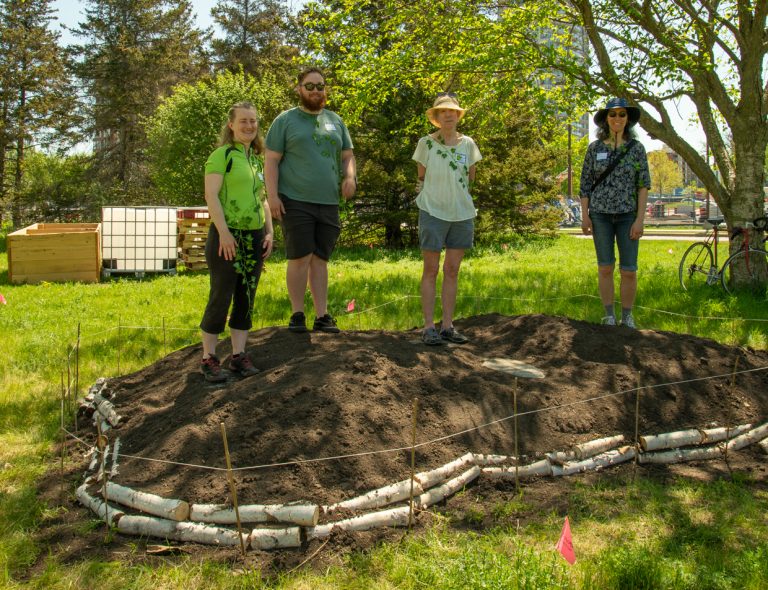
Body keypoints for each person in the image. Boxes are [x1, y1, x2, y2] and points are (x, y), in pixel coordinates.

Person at [264, 67, 356, 334]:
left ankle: (322, 315)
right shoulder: (285, 120)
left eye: (320, 86)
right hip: (295, 200)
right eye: (310, 86)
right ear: (299, 89)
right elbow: (271, 161)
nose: (316, 91)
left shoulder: (336, 121)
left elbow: (347, 155)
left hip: (328, 202)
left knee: (320, 259)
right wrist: (272, 197)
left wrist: (349, 177)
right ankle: (297, 314)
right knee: (300, 257)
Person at [199, 102, 274, 382]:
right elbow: (212, 196)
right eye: (243, 121)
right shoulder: (222, 156)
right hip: (226, 235)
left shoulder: (256, 159)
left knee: (246, 297)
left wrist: (269, 232)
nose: (249, 126)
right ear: (231, 125)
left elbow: (262, 199)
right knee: (221, 295)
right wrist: (225, 233)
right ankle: (208, 358)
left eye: (253, 121)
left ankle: (238, 356)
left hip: (253, 236)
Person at [412, 93, 481, 345]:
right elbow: (422, 174)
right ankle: (429, 327)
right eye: (443, 111)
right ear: (437, 117)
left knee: (452, 270)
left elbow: (471, 176)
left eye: (453, 111)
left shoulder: (469, 145)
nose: (449, 115)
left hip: (462, 214)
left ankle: (448, 326)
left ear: (458, 115)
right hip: (432, 211)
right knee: (430, 270)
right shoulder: (426, 144)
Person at [580, 97, 650, 329]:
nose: (617, 118)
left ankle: (627, 316)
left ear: (628, 119)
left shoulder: (637, 149)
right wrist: (585, 214)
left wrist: (639, 219)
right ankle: (608, 314)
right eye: (612, 114)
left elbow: (643, 185)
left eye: (622, 114)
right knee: (605, 266)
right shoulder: (595, 148)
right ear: (606, 119)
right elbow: (585, 184)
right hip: (600, 215)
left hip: (627, 215)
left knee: (629, 269)